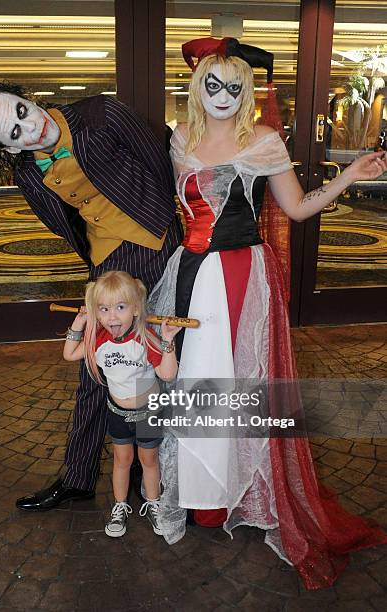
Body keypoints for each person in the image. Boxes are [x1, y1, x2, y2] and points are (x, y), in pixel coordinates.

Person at [149, 37, 387, 589]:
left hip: (241, 275)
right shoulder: (179, 137)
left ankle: (233, 490)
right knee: (191, 381)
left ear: (247, 90)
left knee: (234, 381)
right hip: (188, 271)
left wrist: (349, 177)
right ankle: (199, 497)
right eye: (215, 84)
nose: (224, 95)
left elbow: (298, 209)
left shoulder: (263, 141)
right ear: (198, 85)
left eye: (235, 86)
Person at [0, 83, 182, 511]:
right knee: (94, 365)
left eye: (23, 112)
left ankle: (164, 468)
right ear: (8, 150)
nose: (30, 129)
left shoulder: (100, 114)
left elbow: (159, 165)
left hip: (159, 245)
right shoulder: (29, 174)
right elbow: (64, 223)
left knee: (167, 355)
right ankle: (78, 476)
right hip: (107, 260)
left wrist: (160, 225)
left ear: (29, 99)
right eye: (14, 134)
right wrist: (98, 264)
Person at [63, 271, 180, 536]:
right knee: (121, 459)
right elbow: (70, 354)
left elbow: (167, 374)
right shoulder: (99, 340)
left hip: (147, 410)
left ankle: (153, 504)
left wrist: (168, 341)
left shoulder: (144, 339)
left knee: (148, 459)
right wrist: (80, 321)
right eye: (103, 309)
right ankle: (120, 507)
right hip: (117, 411)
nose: (112, 317)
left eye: (120, 307)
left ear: (136, 309)